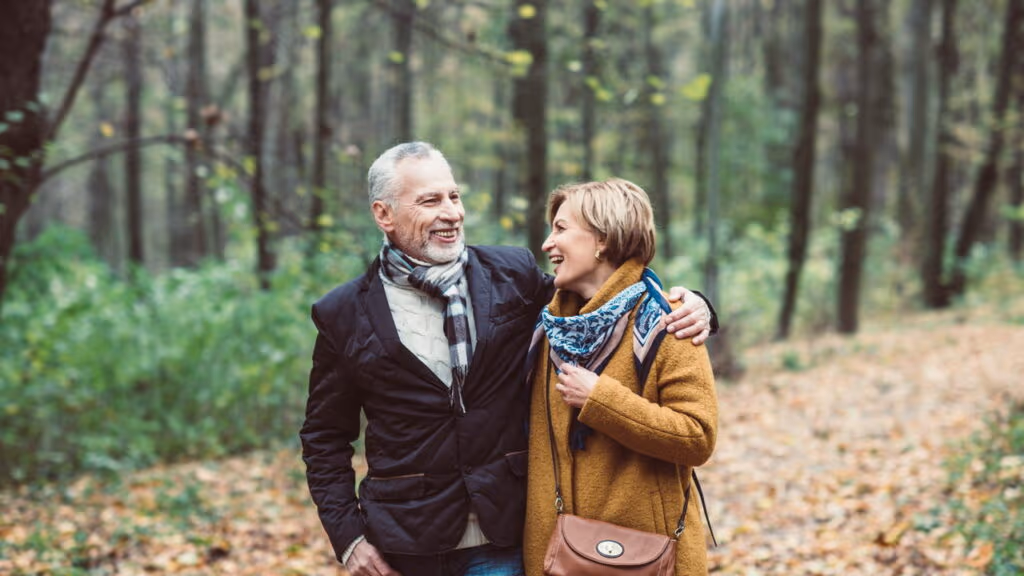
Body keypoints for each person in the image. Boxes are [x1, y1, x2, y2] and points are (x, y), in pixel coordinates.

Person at [300, 142, 715, 576]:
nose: (451, 212)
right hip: (404, 546)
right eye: (430, 201)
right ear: (383, 214)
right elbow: (324, 438)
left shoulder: (511, 274)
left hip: (505, 538)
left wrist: (696, 304)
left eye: (454, 196)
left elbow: (604, 290)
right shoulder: (343, 312)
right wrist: (348, 539)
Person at [522, 178, 718, 575]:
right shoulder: (545, 327)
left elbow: (698, 437)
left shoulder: (668, 320)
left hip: (647, 559)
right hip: (555, 560)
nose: (546, 244)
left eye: (560, 229)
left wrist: (602, 401)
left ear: (603, 239)